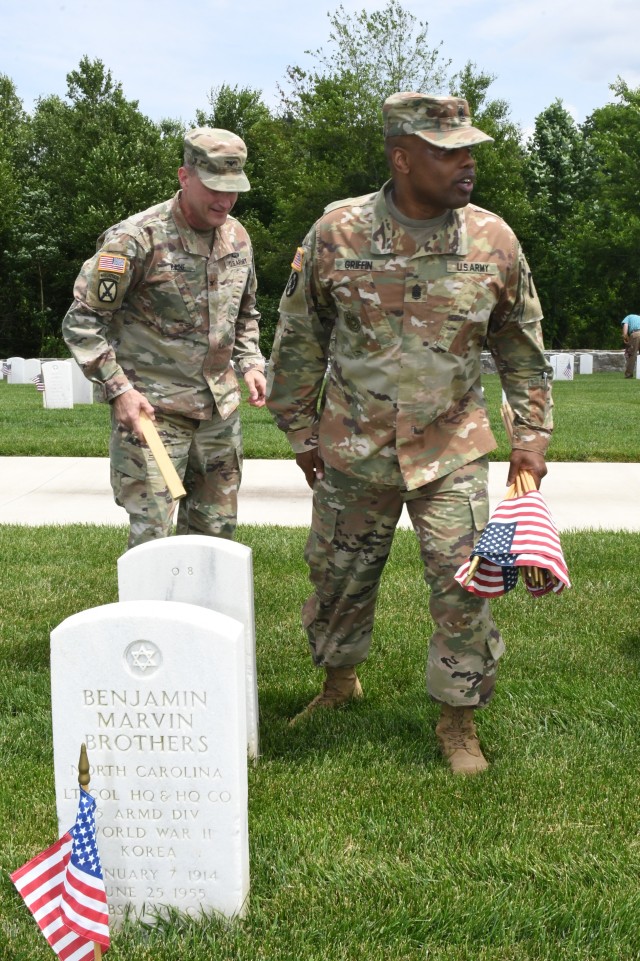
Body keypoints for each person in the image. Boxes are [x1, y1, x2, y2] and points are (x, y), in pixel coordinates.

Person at [267, 93, 553, 775]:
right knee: (338, 577)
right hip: (352, 446)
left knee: (468, 586)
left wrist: (533, 433)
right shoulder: (337, 233)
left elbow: (522, 345)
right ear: (402, 158)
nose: (467, 163)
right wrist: (303, 432)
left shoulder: (493, 240)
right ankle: (338, 684)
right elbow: (299, 338)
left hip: (451, 449)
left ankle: (458, 720)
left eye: (468, 149)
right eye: (446, 150)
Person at [63, 128, 266, 549]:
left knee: (216, 536)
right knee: (153, 541)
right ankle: (149, 615)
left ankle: (203, 613)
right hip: (153, 413)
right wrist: (119, 391)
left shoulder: (238, 238)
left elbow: (244, 313)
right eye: (213, 188)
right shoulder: (136, 241)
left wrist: (251, 362)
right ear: (185, 177)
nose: (224, 201)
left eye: (233, 191)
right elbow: (82, 322)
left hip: (218, 414)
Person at [621, 313, 640, 378]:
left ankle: (629, 374)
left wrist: (625, 338)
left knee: (632, 355)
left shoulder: (628, 317)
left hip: (635, 334)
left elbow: (625, 327)